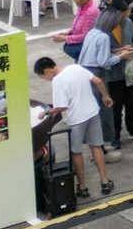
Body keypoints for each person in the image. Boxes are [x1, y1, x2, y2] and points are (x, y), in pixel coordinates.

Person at [36, 53, 114, 200]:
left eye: (43, 77)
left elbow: (61, 107)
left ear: (47, 71)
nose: (46, 80)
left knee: (76, 152)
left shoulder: (57, 81)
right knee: (96, 147)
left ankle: (82, 187)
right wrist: (105, 96)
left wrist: (46, 112)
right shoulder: (76, 67)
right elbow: (97, 81)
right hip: (92, 112)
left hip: (77, 120)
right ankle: (105, 181)